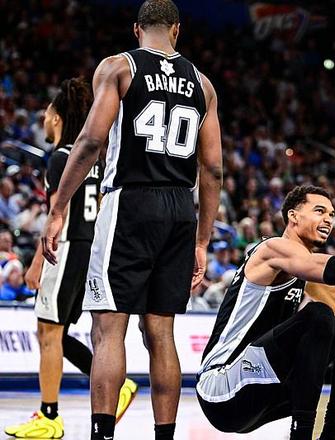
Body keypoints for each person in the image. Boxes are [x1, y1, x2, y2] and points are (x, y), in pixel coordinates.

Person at [40, 1, 223, 439]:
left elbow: (90, 141)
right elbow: (213, 169)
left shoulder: (120, 67)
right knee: (161, 331)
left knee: (108, 328)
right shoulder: (203, 84)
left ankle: (103, 434)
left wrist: (58, 208)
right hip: (180, 208)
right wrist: (202, 240)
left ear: (137, 29)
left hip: (130, 201)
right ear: (176, 30)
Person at [197, 185, 335, 440]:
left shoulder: (302, 266)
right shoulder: (273, 249)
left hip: (261, 389)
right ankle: (301, 434)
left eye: (331, 214)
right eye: (319, 211)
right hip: (221, 388)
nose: (328, 220)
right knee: (317, 315)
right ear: (293, 216)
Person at [4, 78, 137, 439]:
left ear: (57, 118)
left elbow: (55, 217)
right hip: (90, 250)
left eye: (47, 115)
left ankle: (49, 416)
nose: (44, 121)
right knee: (56, 332)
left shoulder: (61, 158)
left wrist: (36, 263)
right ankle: (117, 383)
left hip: (65, 249)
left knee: (48, 331)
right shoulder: (94, 158)